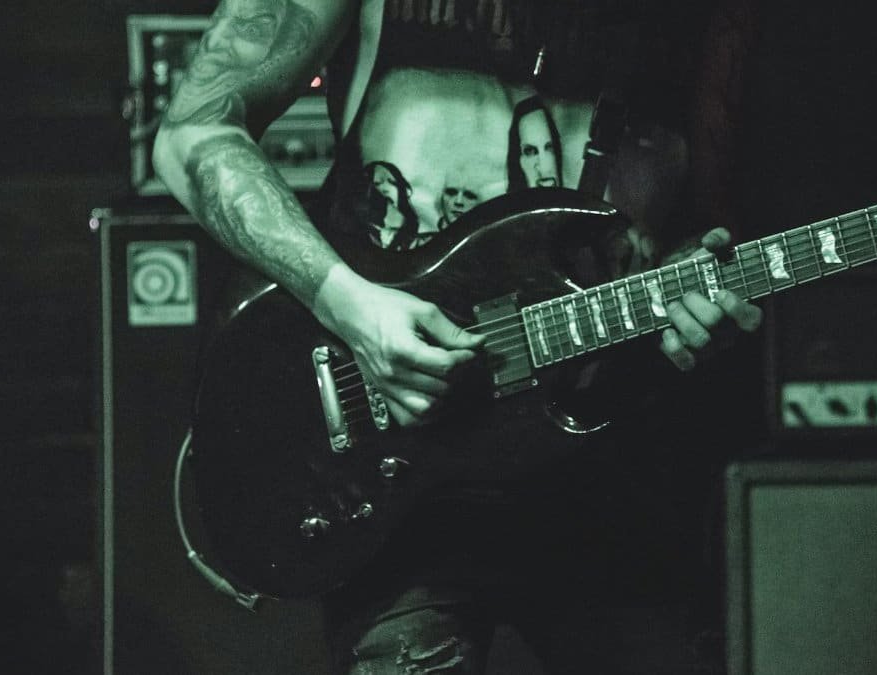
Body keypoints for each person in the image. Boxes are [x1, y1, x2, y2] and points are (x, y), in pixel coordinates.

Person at [154, 0, 761, 672]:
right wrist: (347, 300)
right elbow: (191, 131)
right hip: (403, 466)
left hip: (618, 460)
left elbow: (710, 218)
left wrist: (697, 295)